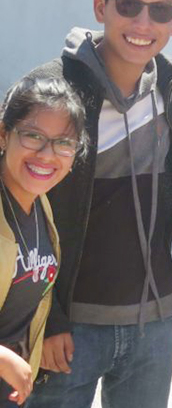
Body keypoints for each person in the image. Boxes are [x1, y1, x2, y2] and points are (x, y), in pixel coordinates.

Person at [25, 0, 172, 408]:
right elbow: (15, 216)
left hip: (154, 323)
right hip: (67, 330)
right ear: (101, 6)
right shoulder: (49, 96)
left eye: (160, 11)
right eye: (128, 5)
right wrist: (51, 317)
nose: (143, 22)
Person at [0, 77, 86, 406]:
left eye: (64, 143)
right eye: (33, 136)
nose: (47, 154)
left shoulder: (39, 203)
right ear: (4, 134)